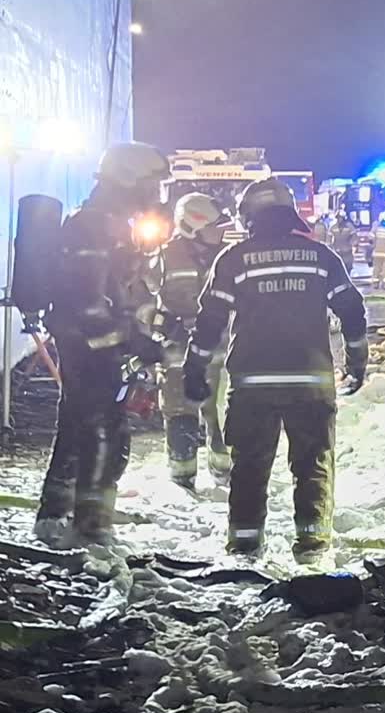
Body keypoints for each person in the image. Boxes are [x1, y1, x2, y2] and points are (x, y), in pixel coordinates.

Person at [183, 176, 367, 563]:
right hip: (311, 383)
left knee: (249, 466)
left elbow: (210, 320)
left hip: (253, 385)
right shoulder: (321, 257)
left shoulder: (233, 259)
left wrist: (194, 367)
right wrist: (357, 360)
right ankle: (313, 546)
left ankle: (245, 547)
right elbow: (352, 310)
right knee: (313, 464)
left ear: (250, 216)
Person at [33, 142, 168, 548]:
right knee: (103, 430)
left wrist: (144, 324)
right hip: (89, 344)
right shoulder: (93, 225)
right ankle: (91, 527)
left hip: (98, 344)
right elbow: (89, 303)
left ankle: (55, 513)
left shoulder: (111, 223)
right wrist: (135, 339)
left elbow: (121, 290)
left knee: (78, 423)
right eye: (152, 184)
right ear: (128, 180)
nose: (156, 194)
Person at [157, 192, 232, 490]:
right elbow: (141, 301)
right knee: (181, 414)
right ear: (193, 227)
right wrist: (162, 325)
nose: (221, 233)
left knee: (224, 413)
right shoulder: (163, 256)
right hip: (179, 353)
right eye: (214, 227)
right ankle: (182, 476)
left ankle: (225, 472)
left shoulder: (229, 257)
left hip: (222, 352)